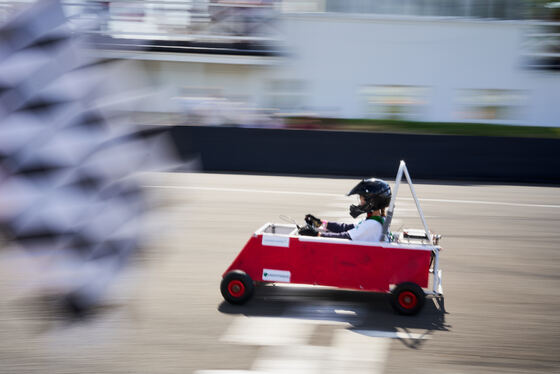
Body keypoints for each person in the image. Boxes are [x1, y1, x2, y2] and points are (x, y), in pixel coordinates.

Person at [298, 178, 392, 242]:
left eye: (361, 199)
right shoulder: (377, 219)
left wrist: (317, 235)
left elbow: (344, 237)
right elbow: (346, 228)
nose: (360, 202)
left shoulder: (372, 224)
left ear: (372, 202)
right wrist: (320, 223)